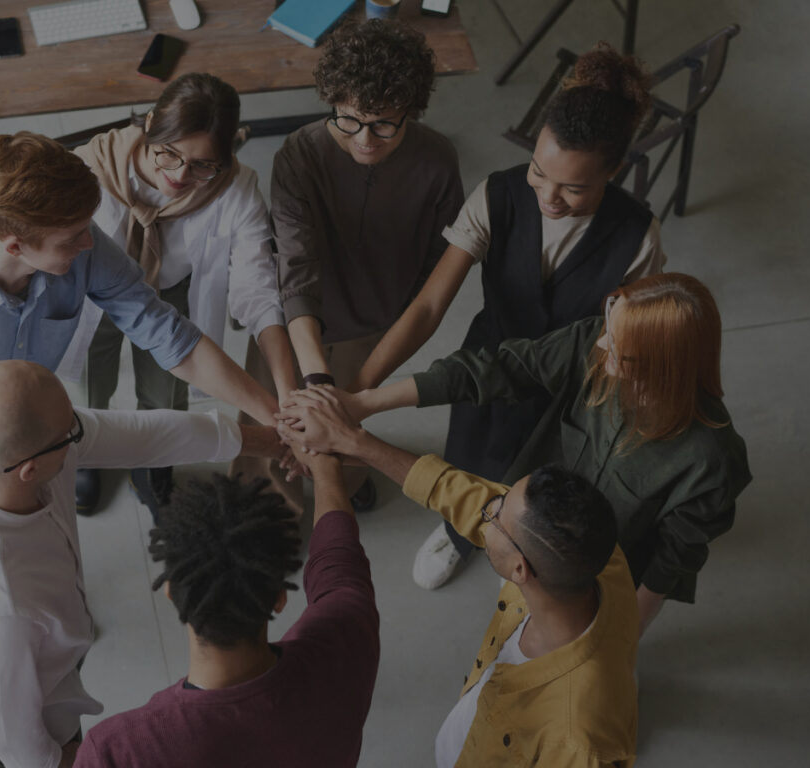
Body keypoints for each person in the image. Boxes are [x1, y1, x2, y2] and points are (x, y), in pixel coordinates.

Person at [0, 131, 281, 681]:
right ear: (14, 243)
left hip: (29, 434)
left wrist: (274, 414)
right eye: (73, 237)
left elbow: (169, 336)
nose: (90, 244)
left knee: (24, 539)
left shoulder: (81, 248)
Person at [350, 43, 666, 588]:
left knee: (549, 480)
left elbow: (628, 340)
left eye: (574, 187)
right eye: (540, 172)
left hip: (571, 384)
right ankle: (458, 532)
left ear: (613, 172)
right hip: (487, 364)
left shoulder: (638, 237)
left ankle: (521, 544)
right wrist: (359, 392)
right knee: (472, 453)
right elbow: (428, 307)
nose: (549, 196)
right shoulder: (497, 195)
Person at [0, 360, 286, 768]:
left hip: (23, 663)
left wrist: (273, 441)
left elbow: (143, 437)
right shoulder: (1, 612)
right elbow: (11, 739)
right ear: (30, 469)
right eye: (71, 432)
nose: (80, 432)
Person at [317, 273, 751, 633]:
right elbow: (498, 369)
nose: (601, 347)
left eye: (621, 350)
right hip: (526, 522)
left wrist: (619, 638)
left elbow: (669, 563)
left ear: (665, 367)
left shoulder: (711, 461)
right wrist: (366, 402)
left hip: (604, 575)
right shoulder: (593, 343)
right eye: (607, 328)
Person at [276, 387, 639, 767]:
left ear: (520, 569)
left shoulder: (579, 740)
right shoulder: (594, 556)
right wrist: (353, 442)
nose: (487, 508)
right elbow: (463, 494)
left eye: (496, 514)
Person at [247, 17, 464, 515]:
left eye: (385, 124)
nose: (366, 139)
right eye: (349, 120)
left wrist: (343, 391)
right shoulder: (300, 155)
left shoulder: (437, 162)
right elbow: (295, 270)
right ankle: (270, 508)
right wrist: (317, 383)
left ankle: (347, 474)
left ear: (412, 110)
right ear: (333, 102)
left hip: (371, 321)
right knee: (273, 415)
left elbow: (437, 267)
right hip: (294, 318)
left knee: (349, 419)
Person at [65, 72, 296, 516]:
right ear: (150, 123)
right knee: (89, 381)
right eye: (168, 155)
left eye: (201, 165)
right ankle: (88, 450)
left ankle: (153, 461)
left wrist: (285, 394)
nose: (178, 175)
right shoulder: (91, 165)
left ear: (225, 158)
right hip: (95, 294)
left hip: (172, 292)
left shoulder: (236, 187)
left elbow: (257, 288)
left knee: (166, 391)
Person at [73, 455, 379, 767]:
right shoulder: (348, 639)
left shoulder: (116, 752)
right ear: (279, 597)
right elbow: (339, 561)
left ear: (171, 593)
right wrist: (326, 469)